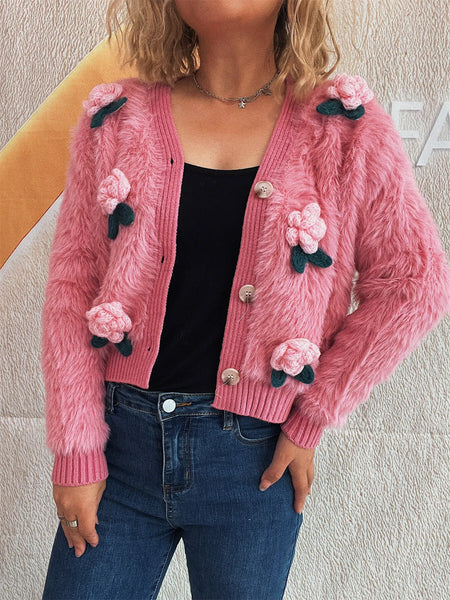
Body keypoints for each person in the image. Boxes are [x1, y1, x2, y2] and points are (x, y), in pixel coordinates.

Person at [41, 1, 450, 598]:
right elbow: (73, 288)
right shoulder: (116, 119)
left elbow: (415, 282)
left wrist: (313, 416)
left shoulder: (344, 128)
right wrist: (76, 449)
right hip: (119, 451)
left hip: (253, 464)